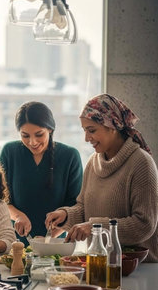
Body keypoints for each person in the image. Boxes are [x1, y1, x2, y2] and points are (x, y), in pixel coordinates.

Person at [46, 94, 158, 262]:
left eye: (92, 130)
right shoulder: (93, 162)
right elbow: (84, 208)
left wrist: (95, 227)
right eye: (84, 131)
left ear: (112, 125)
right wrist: (66, 215)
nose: (86, 138)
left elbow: (143, 225)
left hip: (137, 267)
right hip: (100, 262)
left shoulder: (141, 163)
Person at [0, 101, 83, 245]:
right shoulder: (9, 152)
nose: (32, 142)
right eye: (25, 136)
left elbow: (76, 206)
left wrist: (53, 235)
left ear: (50, 129)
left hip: (56, 244)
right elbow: (0, 200)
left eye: (39, 134)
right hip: (15, 243)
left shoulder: (70, 156)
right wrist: (18, 216)